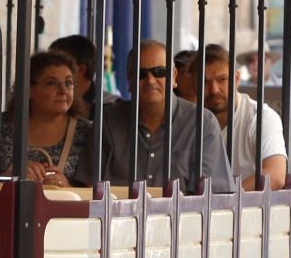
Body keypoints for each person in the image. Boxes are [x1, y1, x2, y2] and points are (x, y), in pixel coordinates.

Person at [98, 39, 234, 193]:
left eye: (160, 72)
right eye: (141, 74)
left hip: (182, 216)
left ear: (174, 76)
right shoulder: (107, 120)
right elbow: (89, 188)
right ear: (129, 80)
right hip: (116, 216)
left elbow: (212, 197)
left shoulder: (202, 123)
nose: (150, 80)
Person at [0, 50, 88, 188]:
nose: (63, 91)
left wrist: (67, 188)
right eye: (52, 83)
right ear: (29, 89)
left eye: (68, 83)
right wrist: (7, 178)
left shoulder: (86, 133)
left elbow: (96, 196)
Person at [197, 44, 287, 190]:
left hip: (250, 210)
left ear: (237, 78)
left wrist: (224, 201)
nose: (214, 89)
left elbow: (275, 176)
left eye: (222, 79)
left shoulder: (260, 118)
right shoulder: (191, 121)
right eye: (205, 82)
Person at [47, 34, 104, 112]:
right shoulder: (48, 102)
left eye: (58, 65)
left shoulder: (107, 107)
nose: (50, 71)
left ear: (80, 70)